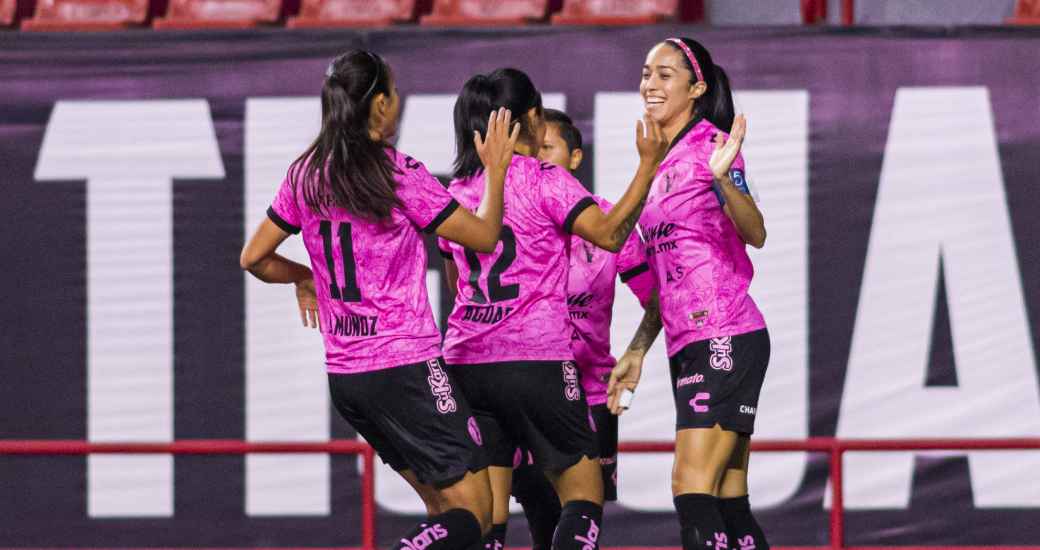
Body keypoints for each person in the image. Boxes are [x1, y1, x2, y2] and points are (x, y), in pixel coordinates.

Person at [239, 50, 520, 550]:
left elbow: (254, 257)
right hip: (405, 368)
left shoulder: (305, 174)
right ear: (380, 105)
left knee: (439, 509)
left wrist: (304, 277)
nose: (399, 101)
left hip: (348, 378)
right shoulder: (396, 173)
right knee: (474, 513)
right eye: (394, 91)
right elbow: (482, 236)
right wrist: (496, 171)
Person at [438, 68, 669, 550]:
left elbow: (457, 282)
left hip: (464, 360)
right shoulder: (544, 179)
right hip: (535, 361)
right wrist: (647, 165)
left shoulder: (454, 191)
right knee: (584, 497)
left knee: (489, 516)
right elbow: (608, 233)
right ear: (531, 119)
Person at [607, 37, 766, 550]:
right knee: (726, 498)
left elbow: (756, 232)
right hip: (689, 341)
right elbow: (665, 276)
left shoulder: (714, 148)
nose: (649, 84)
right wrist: (636, 349)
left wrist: (725, 181)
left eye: (665, 74)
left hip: (722, 333)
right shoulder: (658, 165)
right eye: (646, 72)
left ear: (697, 87)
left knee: (690, 489)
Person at [505, 109, 664, 550]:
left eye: (547, 150)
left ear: (575, 158)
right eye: (531, 149)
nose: (536, 159)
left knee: (580, 525)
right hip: (531, 392)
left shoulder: (611, 222)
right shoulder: (510, 217)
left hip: (593, 395)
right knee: (540, 516)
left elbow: (656, 296)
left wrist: (636, 351)